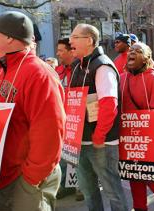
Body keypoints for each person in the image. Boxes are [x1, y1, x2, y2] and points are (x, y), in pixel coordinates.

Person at [0, 11, 65, 211]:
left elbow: (50, 132)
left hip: (25, 179)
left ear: (9, 37)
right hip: (3, 176)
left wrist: (31, 179)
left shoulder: (39, 74)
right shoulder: (0, 73)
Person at [69, 23, 128, 211]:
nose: (70, 41)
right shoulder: (78, 66)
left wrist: (99, 136)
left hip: (100, 142)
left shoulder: (102, 66)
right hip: (82, 141)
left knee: (112, 190)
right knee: (88, 190)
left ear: (89, 40)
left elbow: (109, 105)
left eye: (75, 37)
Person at [120, 42, 154, 211]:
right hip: (127, 136)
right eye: (131, 50)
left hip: (148, 136)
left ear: (146, 59)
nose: (132, 53)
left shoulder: (152, 78)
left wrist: (151, 135)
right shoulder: (122, 78)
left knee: (149, 174)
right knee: (133, 174)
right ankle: (139, 207)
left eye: (138, 51)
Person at [55, 38, 84, 201]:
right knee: (63, 155)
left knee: (80, 155)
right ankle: (66, 187)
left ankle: (81, 187)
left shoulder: (80, 69)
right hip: (62, 118)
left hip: (78, 119)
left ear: (70, 51)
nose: (58, 53)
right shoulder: (57, 70)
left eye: (61, 50)